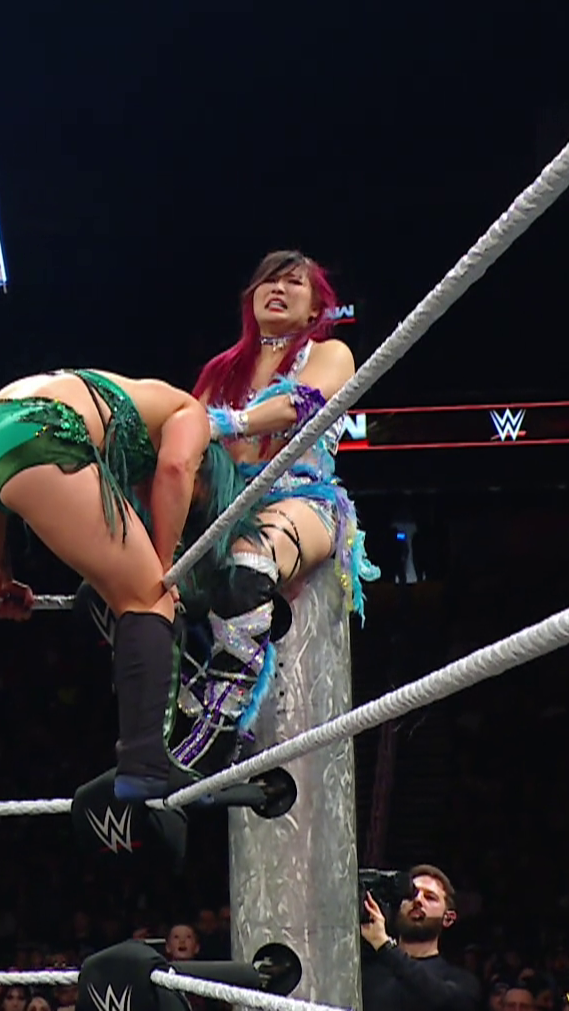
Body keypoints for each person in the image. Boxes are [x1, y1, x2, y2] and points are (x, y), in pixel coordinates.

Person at [0, 368, 249, 812]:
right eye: (195, 500)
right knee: (150, 597)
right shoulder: (189, 412)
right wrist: (162, 568)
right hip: (41, 431)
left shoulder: (108, 401)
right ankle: (145, 765)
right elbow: (176, 467)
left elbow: (4, 458)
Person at [172, 249, 381, 771]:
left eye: (294, 282)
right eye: (269, 280)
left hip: (303, 499)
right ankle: (181, 701)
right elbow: (186, 449)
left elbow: (302, 405)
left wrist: (226, 423)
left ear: (315, 309)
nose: (278, 289)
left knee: (249, 559)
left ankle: (224, 720)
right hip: (225, 510)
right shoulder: (223, 370)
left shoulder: (329, 354)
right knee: (145, 577)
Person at [360, 864, 481, 1011]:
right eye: (411, 895)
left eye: (430, 897)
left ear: (448, 918)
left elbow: (443, 1000)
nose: (417, 900)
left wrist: (385, 946)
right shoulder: (367, 971)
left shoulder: (461, 980)